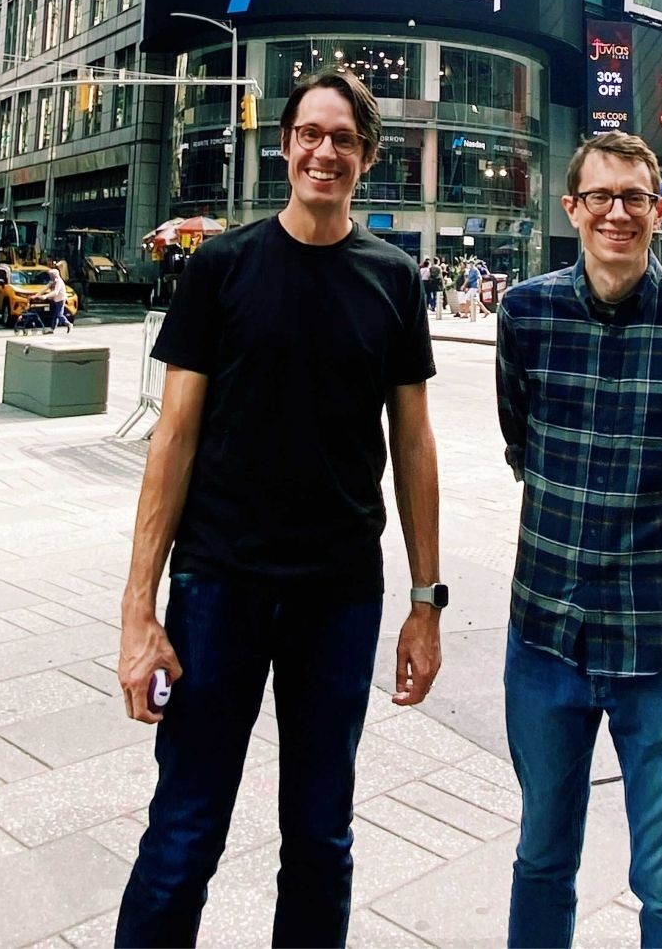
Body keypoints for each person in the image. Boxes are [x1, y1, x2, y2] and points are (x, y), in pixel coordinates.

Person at [115, 69, 443, 949]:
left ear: (367, 156)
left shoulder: (393, 278)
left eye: (343, 138)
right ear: (285, 145)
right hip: (219, 586)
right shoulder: (222, 266)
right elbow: (172, 440)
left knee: (321, 838)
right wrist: (139, 609)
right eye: (309, 134)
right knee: (184, 834)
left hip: (338, 596)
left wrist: (425, 602)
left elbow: (413, 446)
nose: (323, 151)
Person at [497, 132, 662, 949]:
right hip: (547, 643)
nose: (616, 212)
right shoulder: (524, 315)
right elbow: (523, 448)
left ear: (658, 212)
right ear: (570, 210)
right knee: (540, 856)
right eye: (599, 196)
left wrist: (639, 562)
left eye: (634, 197)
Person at [42, 267, 72, 332]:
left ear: (55, 275)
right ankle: (52, 329)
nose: (50, 276)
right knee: (55, 315)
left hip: (60, 300)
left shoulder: (59, 281)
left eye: (51, 275)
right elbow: (46, 288)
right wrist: (37, 295)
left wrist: (46, 296)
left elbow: (56, 292)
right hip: (56, 300)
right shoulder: (54, 281)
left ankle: (68, 323)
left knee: (59, 314)